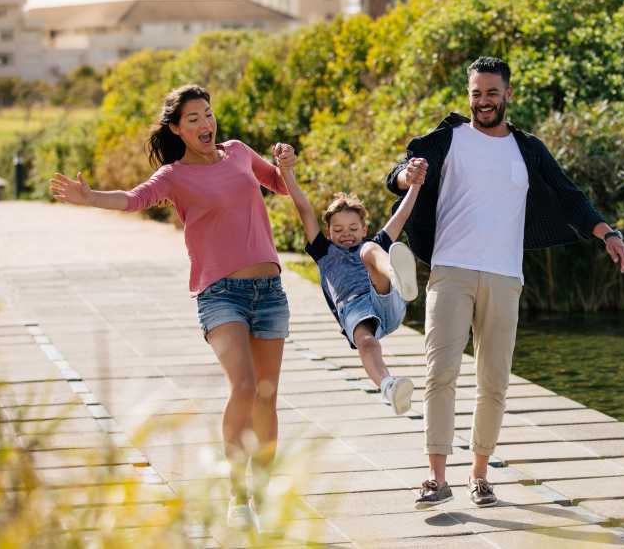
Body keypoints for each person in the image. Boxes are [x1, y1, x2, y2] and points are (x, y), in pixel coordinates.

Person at [386, 56, 624, 508]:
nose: (483, 101)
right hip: (451, 269)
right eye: (476, 93)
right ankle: (436, 478)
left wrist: (607, 233)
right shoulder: (450, 139)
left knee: (494, 380)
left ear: (508, 95)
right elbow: (400, 172)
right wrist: (406, 176)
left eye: (492, 93)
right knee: (440, 372)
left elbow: (569, 196)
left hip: (504, 276)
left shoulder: (528, 149)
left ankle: (479, 475)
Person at [49, 84, 296, 531]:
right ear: (177, 129)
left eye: (208, 114)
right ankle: (238, 496)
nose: (205, 123)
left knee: (265, 395)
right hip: (220, 293)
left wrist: (285, 164)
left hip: (270, 291)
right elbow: (133, 198)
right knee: (243, 386)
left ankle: (262, 493)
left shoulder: (239, 152)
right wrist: (91, 197)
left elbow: (277, 184)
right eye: (193, 119)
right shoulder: (174, 176)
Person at [281, 157, 425, 414]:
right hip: (354, 310)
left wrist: (415, 184)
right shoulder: (323, 251)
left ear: (363, 228)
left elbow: (402, 215)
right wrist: (286, 172)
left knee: (370, 250)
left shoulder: (372, 242)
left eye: (352, 228)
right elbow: (304, 208)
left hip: (385, 296)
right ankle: (389, 386)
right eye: (337, 229)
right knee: (367, 343)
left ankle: (397, 276)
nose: (345, 233)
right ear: (328, 232)